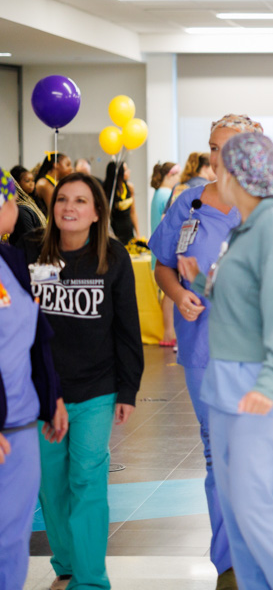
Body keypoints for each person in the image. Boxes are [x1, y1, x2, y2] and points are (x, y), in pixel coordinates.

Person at [150, 113, 273, 590]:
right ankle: (230, 565)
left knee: (256, 470)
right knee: (217, 459)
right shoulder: (190, 203)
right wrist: (182, 292)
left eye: (226, 148)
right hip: (205, 354)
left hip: (262, 361)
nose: (215, 158)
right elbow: (164, 266)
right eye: (212, 148)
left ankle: (271, 564)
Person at [20, 171, 143, 590]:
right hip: (41, 391)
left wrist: (128, 389)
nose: (68, 208)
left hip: (96, 388)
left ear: (96, 213)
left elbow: (127, 328)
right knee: (51, 485)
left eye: (79, 201)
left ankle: (90, 580)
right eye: (62, 200)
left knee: (87, 477)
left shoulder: (113, 256)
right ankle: (68, 561)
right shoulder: (30, 250)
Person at [0, 170, 67, 590]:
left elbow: (36, 332)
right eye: (11, 201)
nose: (16, 209)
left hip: (23, 421)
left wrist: (52, 397)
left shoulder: (8, 258)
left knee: (13, 537)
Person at [149, 162, 181, 347]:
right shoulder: (166, 194)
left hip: (158, 248)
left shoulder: (158, 193)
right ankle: (169, 333)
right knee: (169, 293)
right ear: (170, 175)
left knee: (166, 293)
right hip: (164, 248)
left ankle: (168, 332)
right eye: (177, 176)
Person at [104, 161, 140, 244]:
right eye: (126, 170)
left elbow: (133, 212)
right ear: (118, 173)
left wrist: (138, 233)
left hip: (128, 230)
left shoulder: (129, 187)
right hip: (114, 232)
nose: (129, 171)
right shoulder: (108, 191)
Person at [9, 168, 47, 246]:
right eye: (27, 181)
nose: (31, 184)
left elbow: (31, 241)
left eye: (33, 180)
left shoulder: (22, 209)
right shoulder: (23, 207)